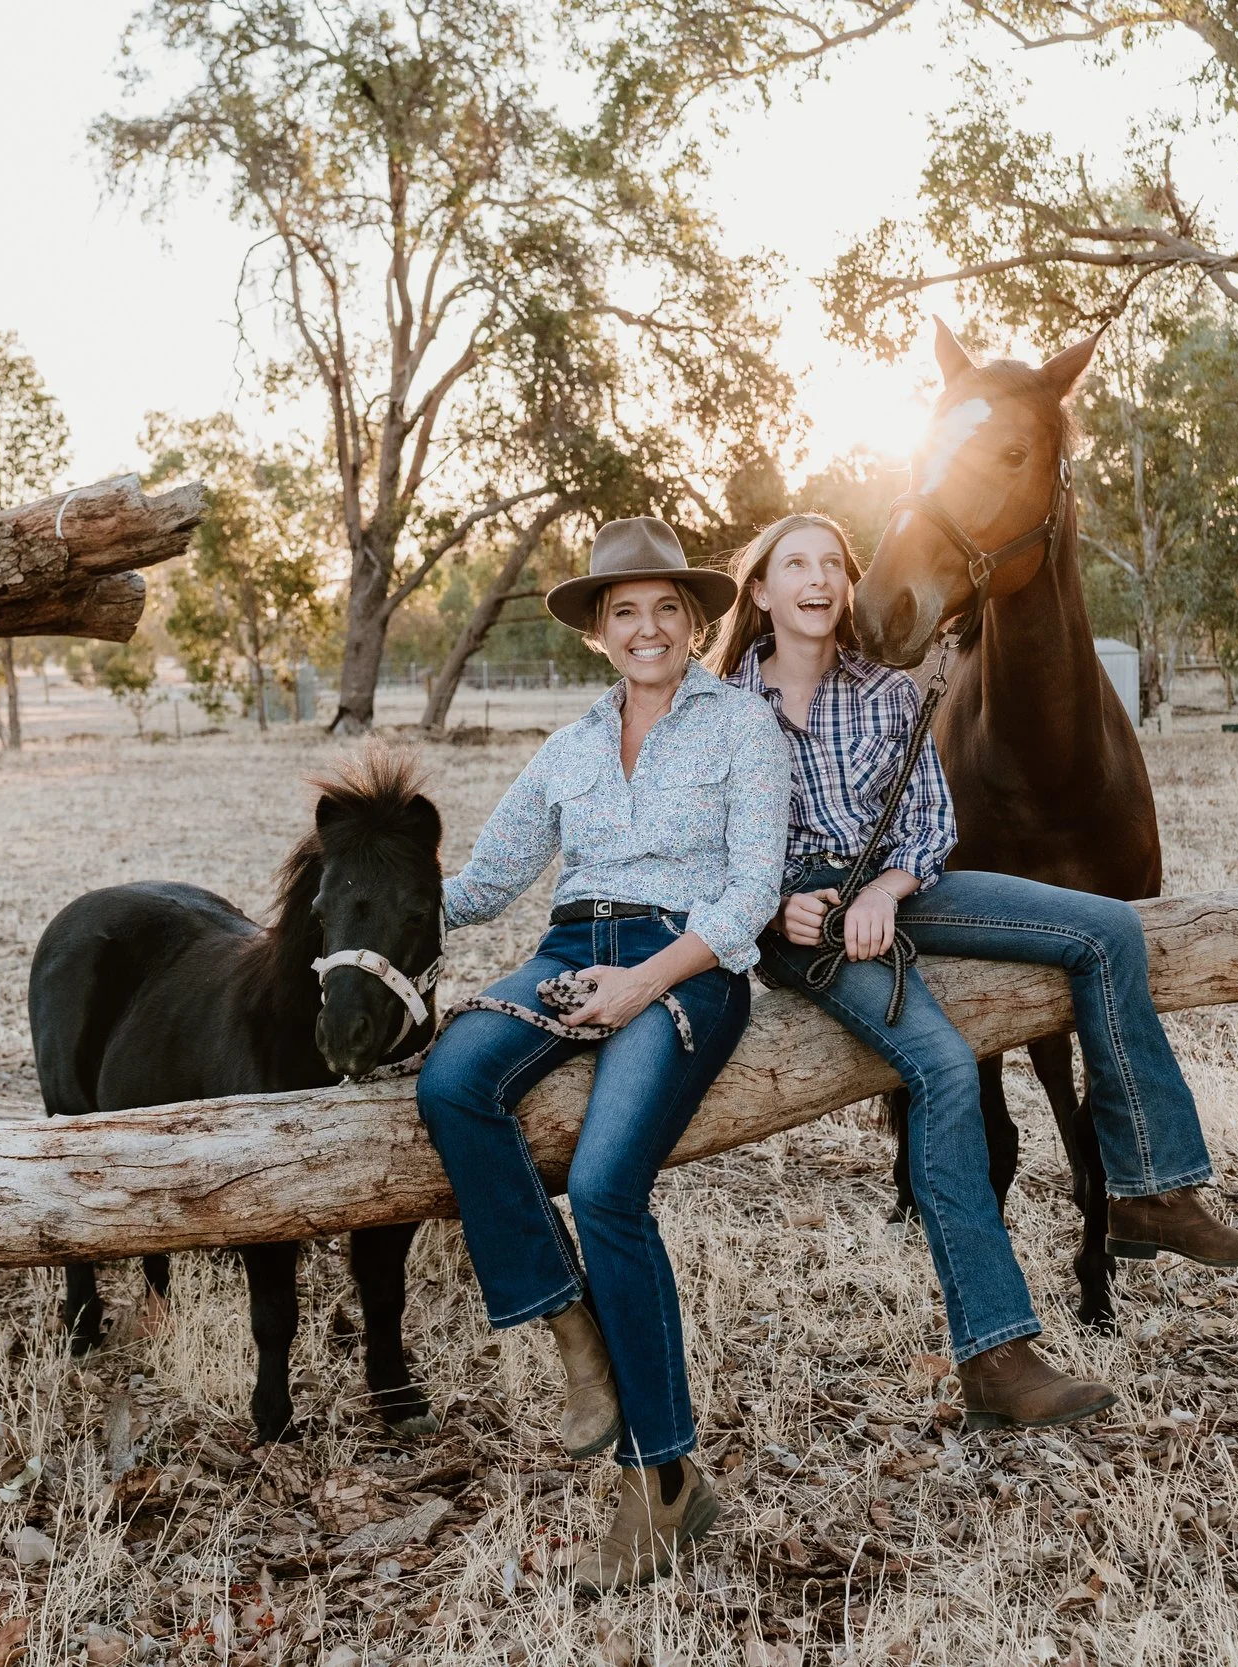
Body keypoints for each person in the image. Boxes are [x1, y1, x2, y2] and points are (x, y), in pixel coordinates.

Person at [709, 512, 1238, 1427]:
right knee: (940, 1067)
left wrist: (888, 890)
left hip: (892, 892)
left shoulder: (889, 691)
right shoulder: (722, 712)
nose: (818, 579)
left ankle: (1152, 1192)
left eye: (833, 563)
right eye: (795, 564)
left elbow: (931, 827)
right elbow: (711, 855)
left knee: (1107, 931)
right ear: (761, 591)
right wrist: (780, 904)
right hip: (801, 922)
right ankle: (994, 1354)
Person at [419, 516, 788, 1593]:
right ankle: (566, 1322)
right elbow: (483, 884)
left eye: (665, 609)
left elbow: (748, 892)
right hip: (571, 947)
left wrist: (646, 982)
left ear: (692, 621)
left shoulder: (739, 727)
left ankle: (661, 1478)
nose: (646, 628)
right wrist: (364, 900)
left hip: (688, 960)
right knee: (452, 1081)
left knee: (604, 1185)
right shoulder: (569, 745)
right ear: (598, 631)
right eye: (623, 611)